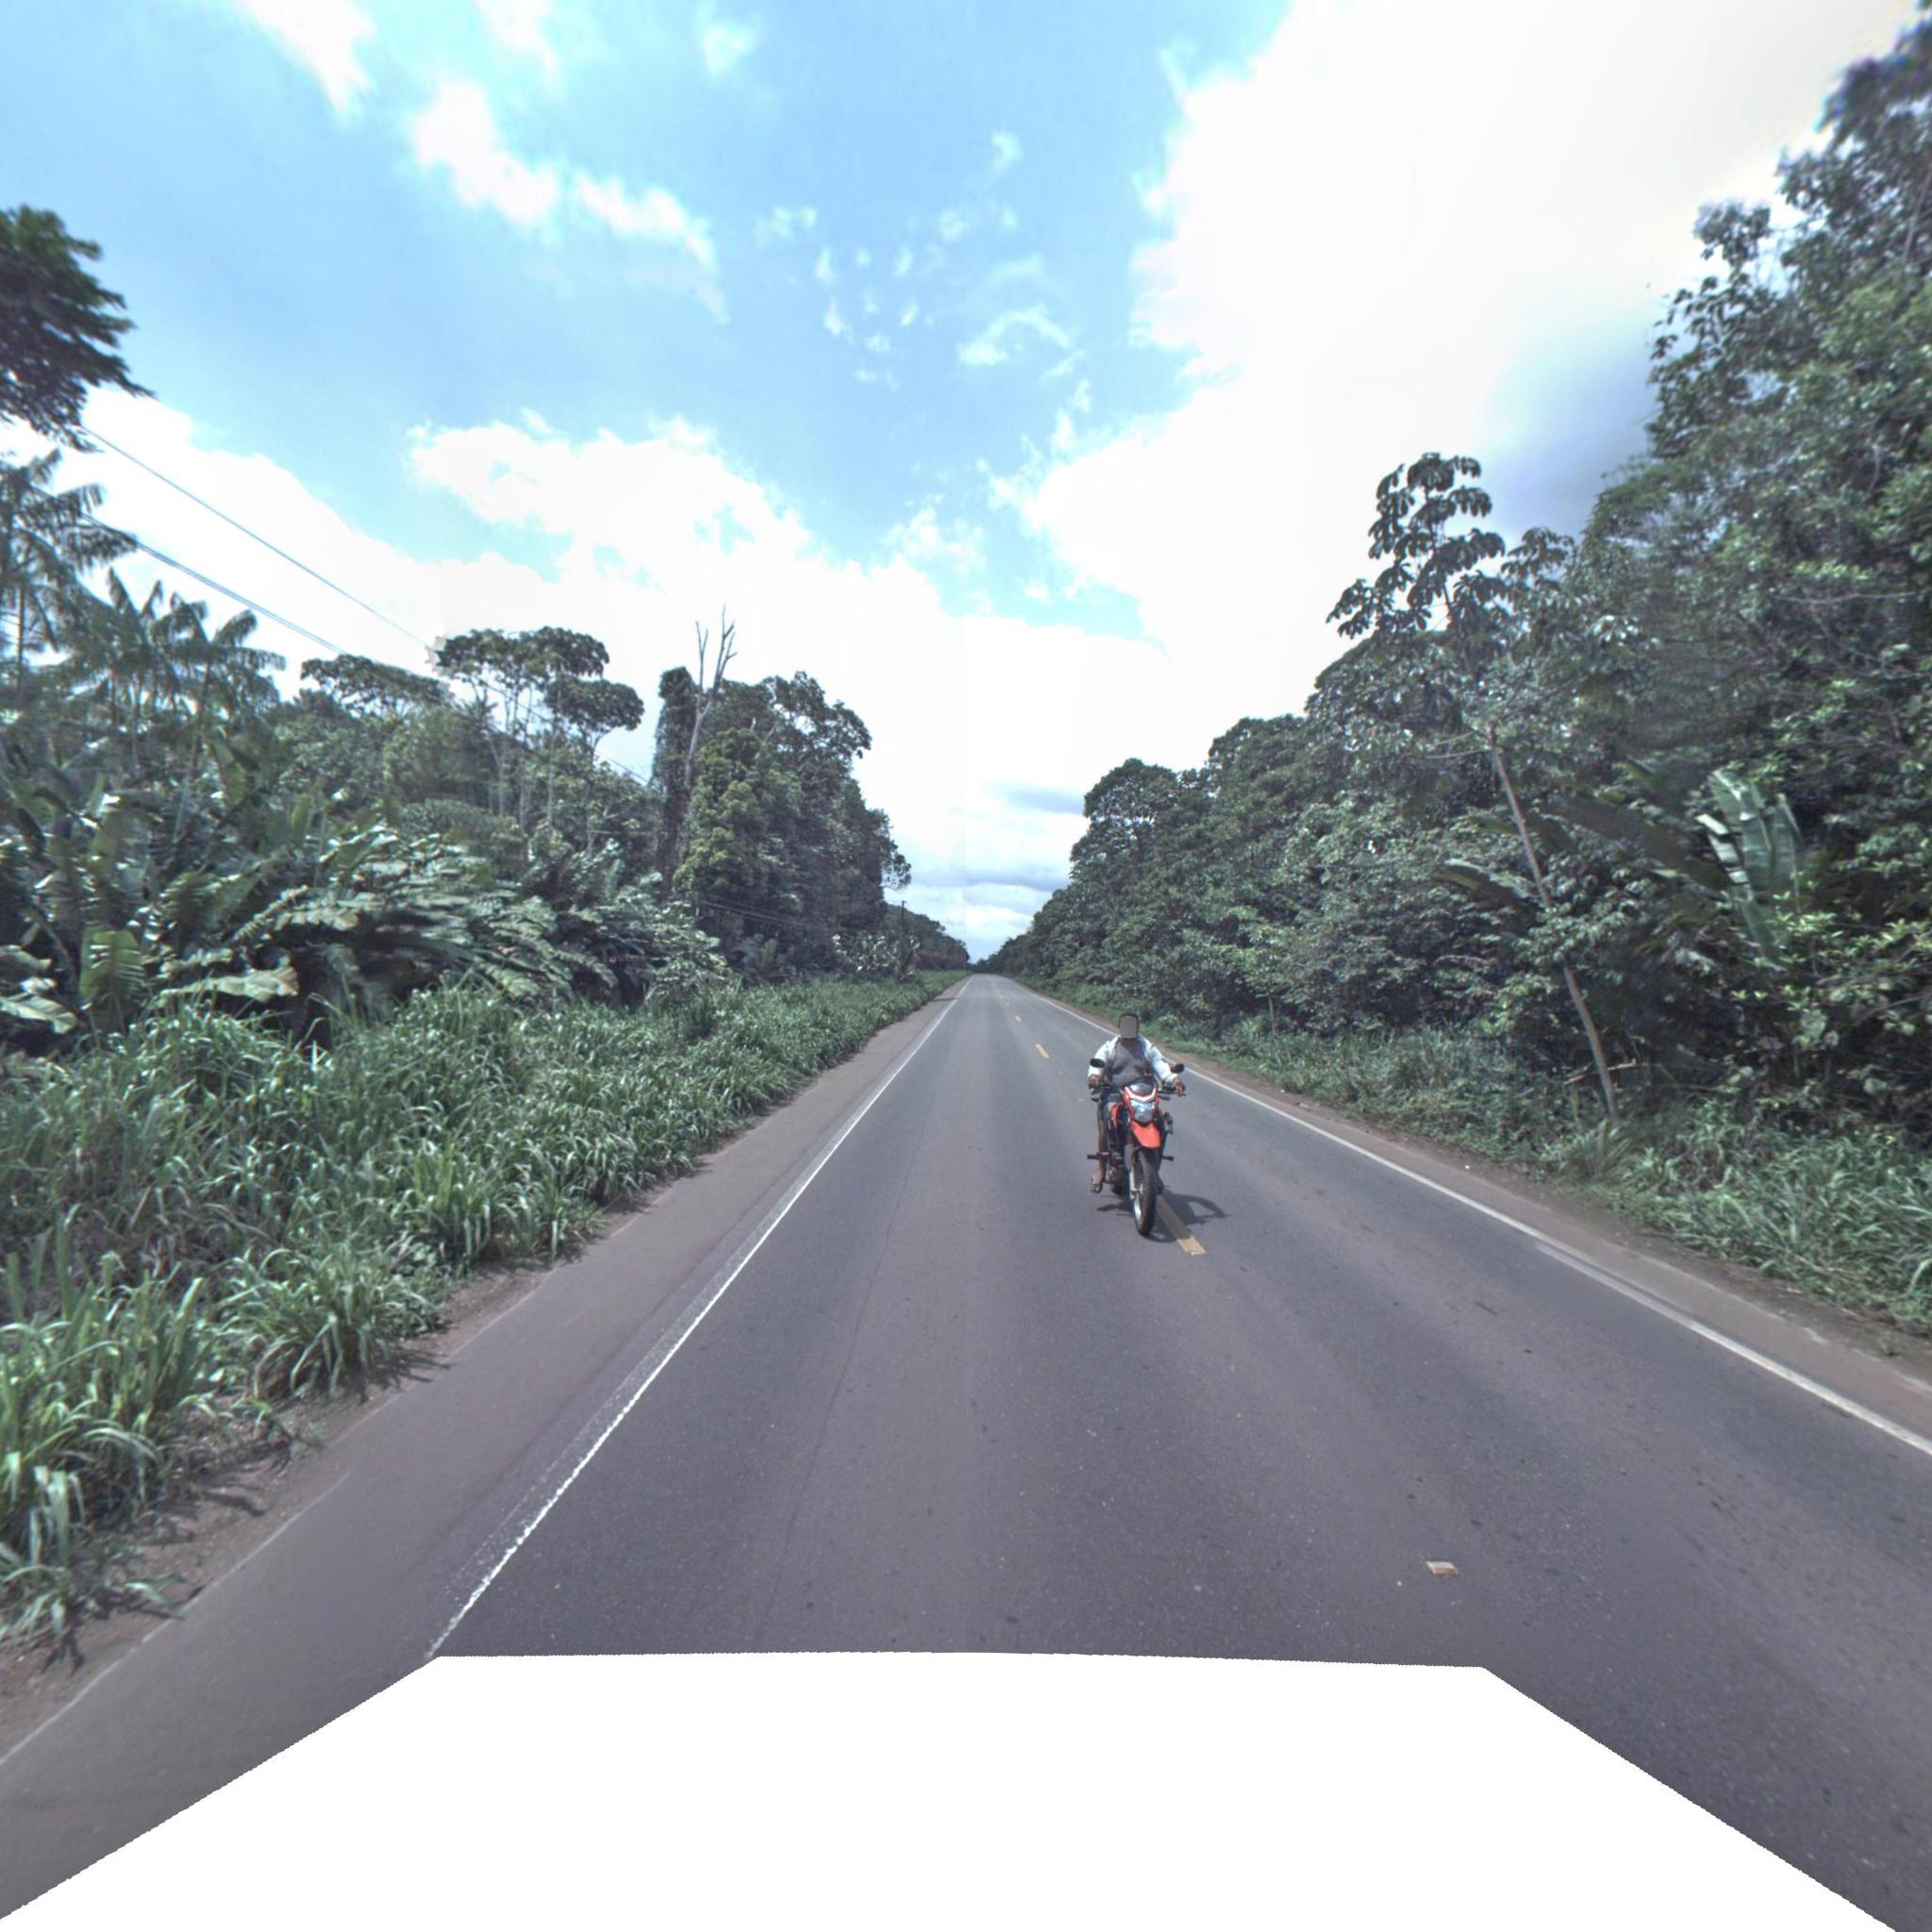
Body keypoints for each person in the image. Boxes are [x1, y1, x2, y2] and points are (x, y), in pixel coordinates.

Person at [1087, 1009, 1184, 1191]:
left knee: (1160, 1121)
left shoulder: (1147, 1048)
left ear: (1138, 1027)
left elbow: (1162, 1066)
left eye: (1133, 1025)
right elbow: (1098, 1063)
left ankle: (1153, 1170)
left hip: (1143, 1094)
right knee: (1109, 1118)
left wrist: (1174, 1080)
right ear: (1119, 1026)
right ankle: (1101, 1168)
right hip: (1116, 1092)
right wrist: (1094, 1077)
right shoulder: (1110, 1047)